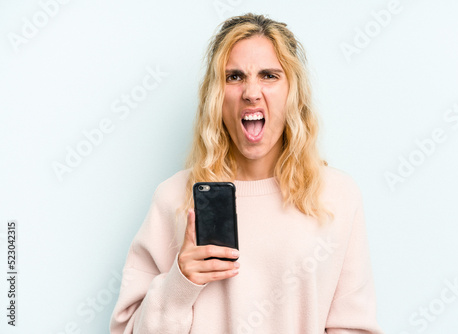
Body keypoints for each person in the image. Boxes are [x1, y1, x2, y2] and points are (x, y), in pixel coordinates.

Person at [110, 13, 384, 334]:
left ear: (292, 91)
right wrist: (178, 285)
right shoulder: (173, 198)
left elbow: (353, 326)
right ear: (216, 96)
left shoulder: (337, 196)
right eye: (234, 77)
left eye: (269, 75)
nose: (251, 92)